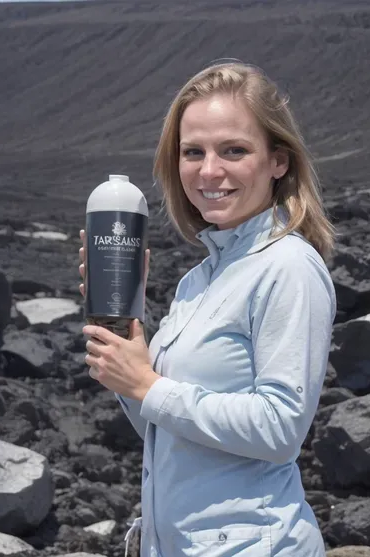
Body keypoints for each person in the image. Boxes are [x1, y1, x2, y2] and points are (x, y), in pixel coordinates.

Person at [79, 61, 336, 557]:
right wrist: (128, 350)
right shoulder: (199, 280)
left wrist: (149, 385)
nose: (209, 170)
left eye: (234, 150)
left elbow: (281, 428)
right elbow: (165, 428)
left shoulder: (288, 266)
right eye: (192, 152)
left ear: (278, 160)